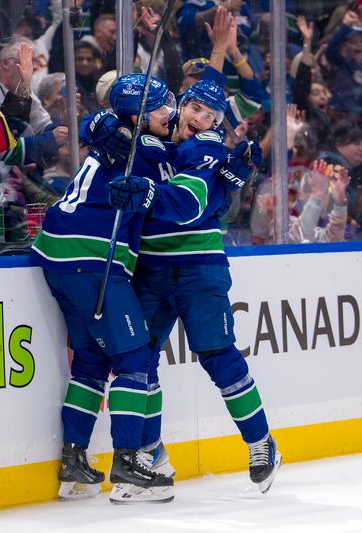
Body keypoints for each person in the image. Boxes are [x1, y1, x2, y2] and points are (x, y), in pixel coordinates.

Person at [106, 78, 282, 494]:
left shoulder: (207, 149)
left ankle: (261, 443)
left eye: (210, 115)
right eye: (195, 108)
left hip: (199, 270)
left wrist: (148, 194)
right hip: (151, 268)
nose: (199, 118)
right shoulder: (158, 138)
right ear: (180, 107)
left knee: (218, 357)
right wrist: (103, 128)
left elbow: (187, 206)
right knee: (138, 359)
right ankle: (150, 454)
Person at [28, 75, 176, 504]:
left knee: (91, 360)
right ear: (138, 114)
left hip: (55, 253)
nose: (169, 113)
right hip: (96, 257)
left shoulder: (117, 135)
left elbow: (97, 126)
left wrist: (101, 123)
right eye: (161, 107)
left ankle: (74, 462)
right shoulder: (145, 148)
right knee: (134, 358)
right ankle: (128, 463)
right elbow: (176, 166)